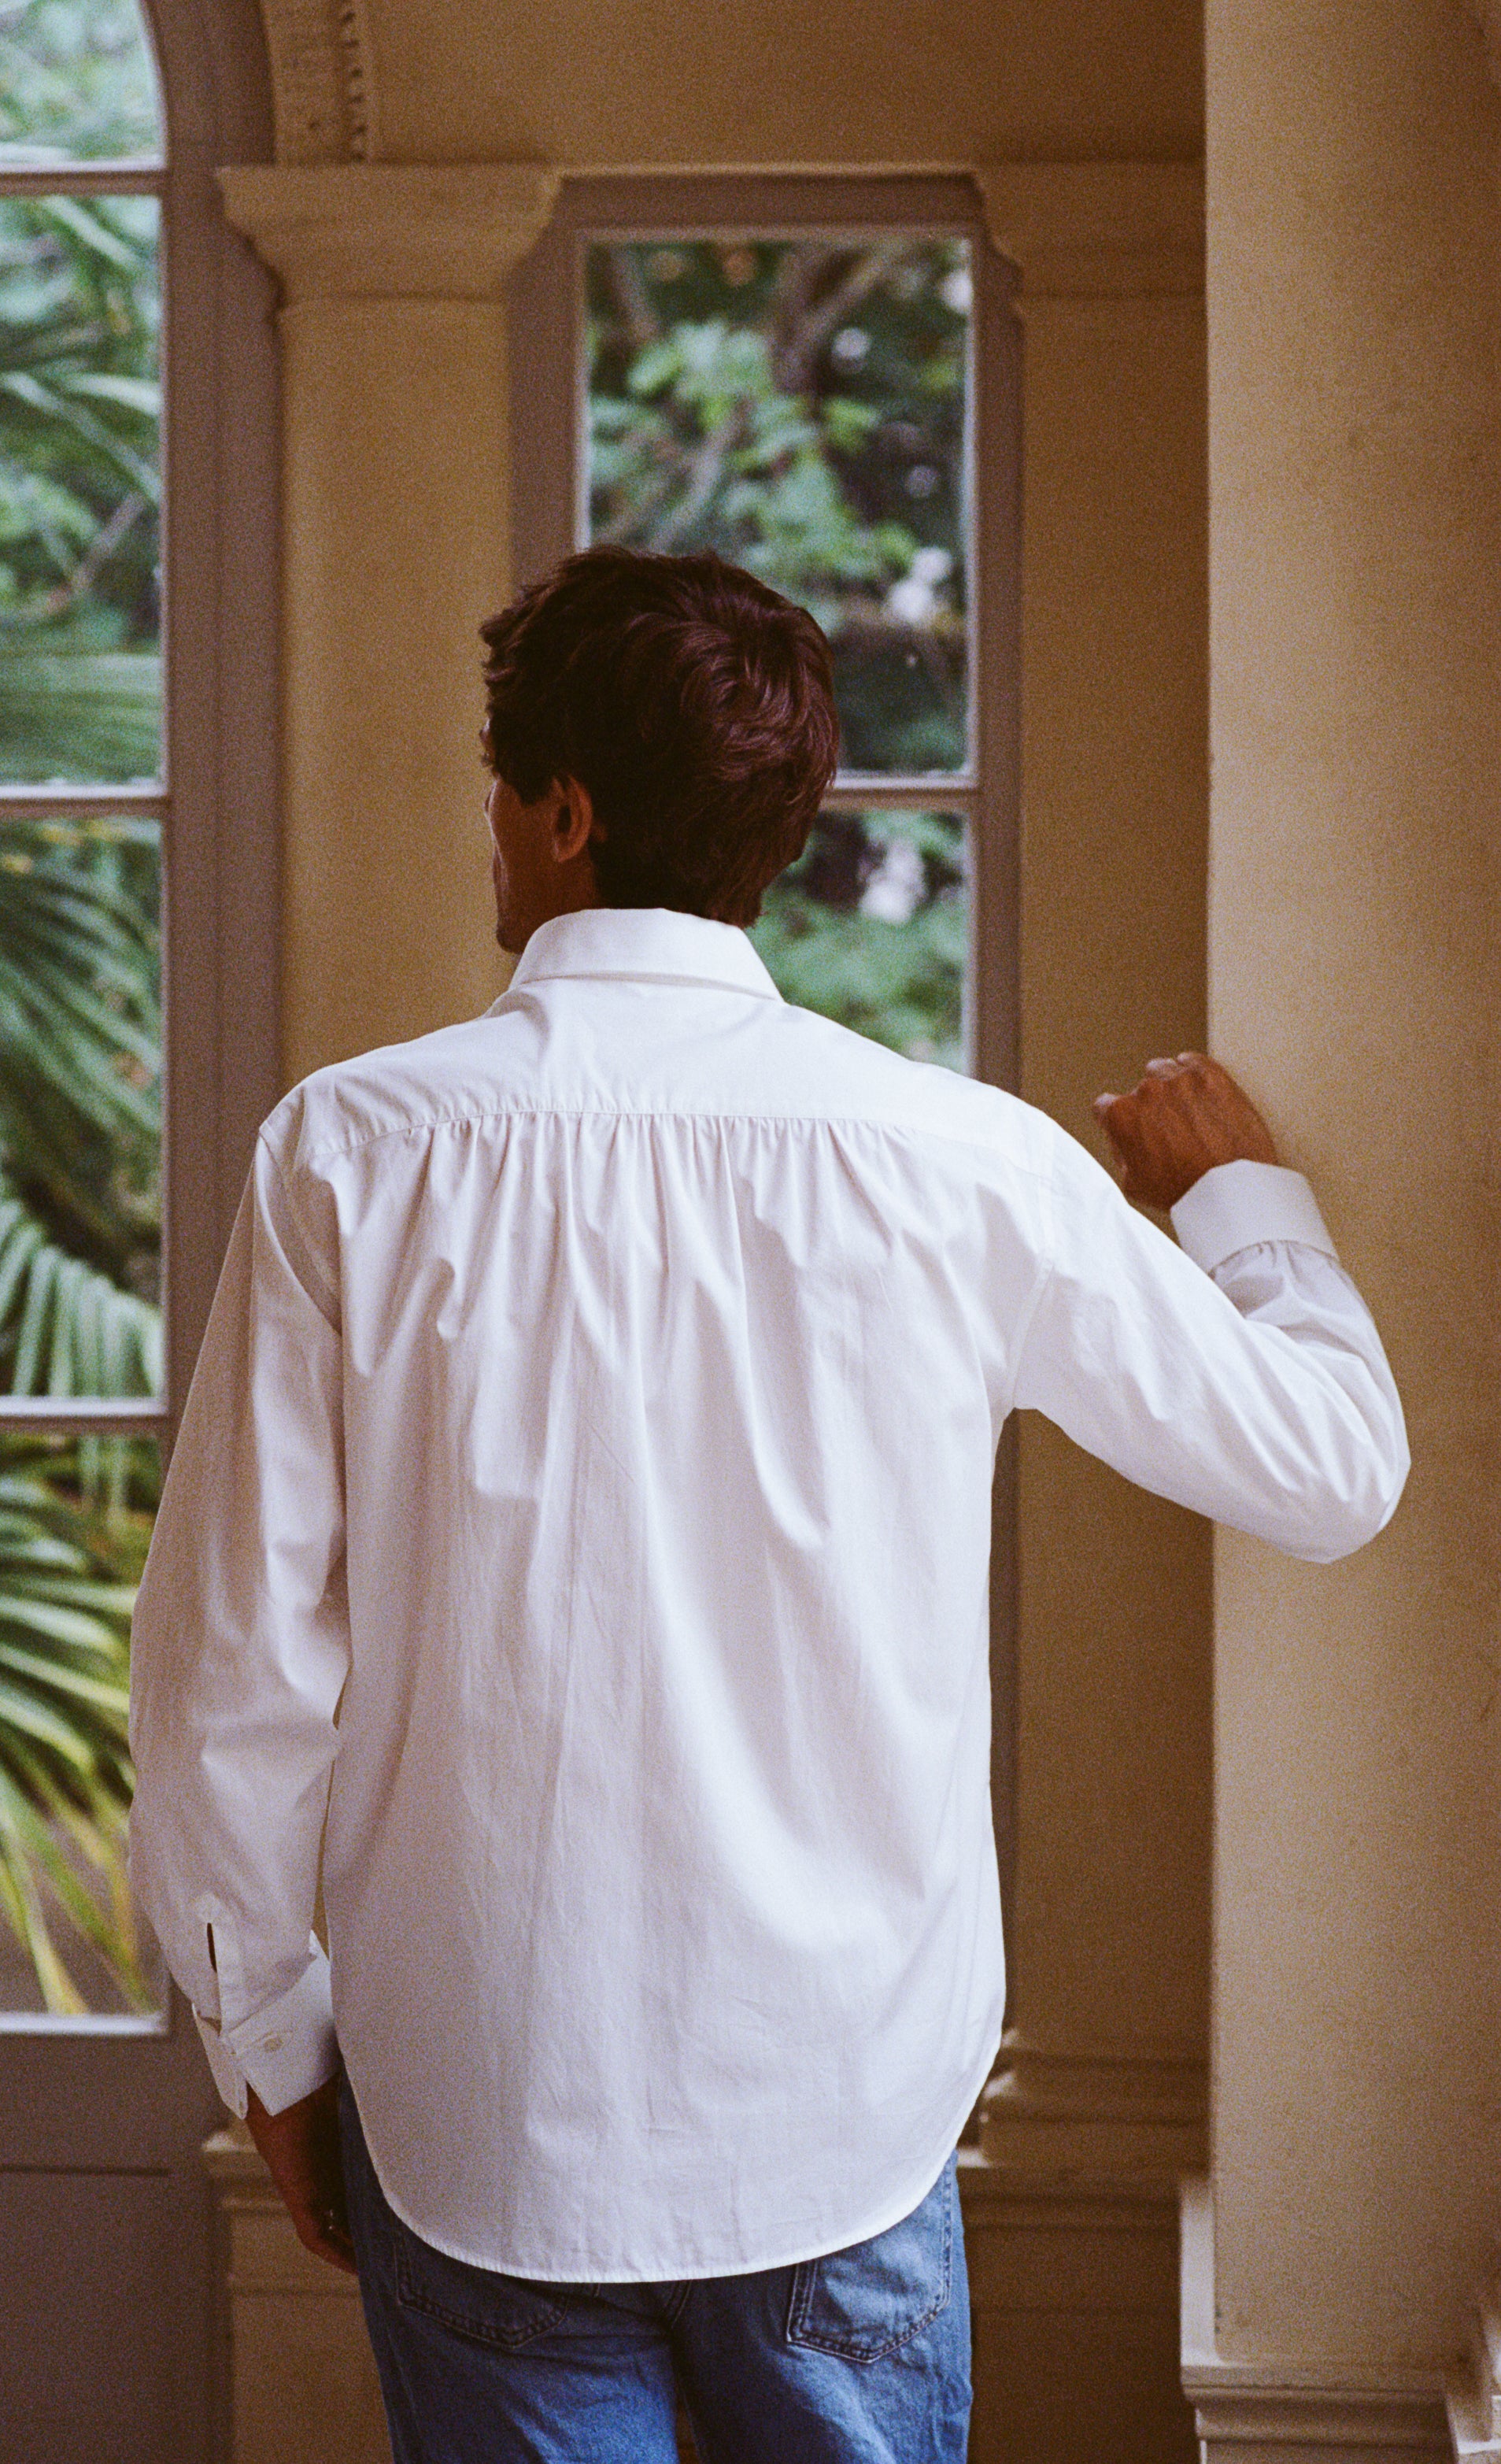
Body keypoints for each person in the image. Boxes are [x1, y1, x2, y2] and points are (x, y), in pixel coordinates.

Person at [128, 547, 1408, 2464]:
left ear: (560, 812)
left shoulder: (354, 1151)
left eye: (502, 789)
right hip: (842, 2125)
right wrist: (1235, 1197)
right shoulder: (962, 1164)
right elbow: (1334, 1469)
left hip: (481, 2123)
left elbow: (232, 1680)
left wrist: (272, 2042)